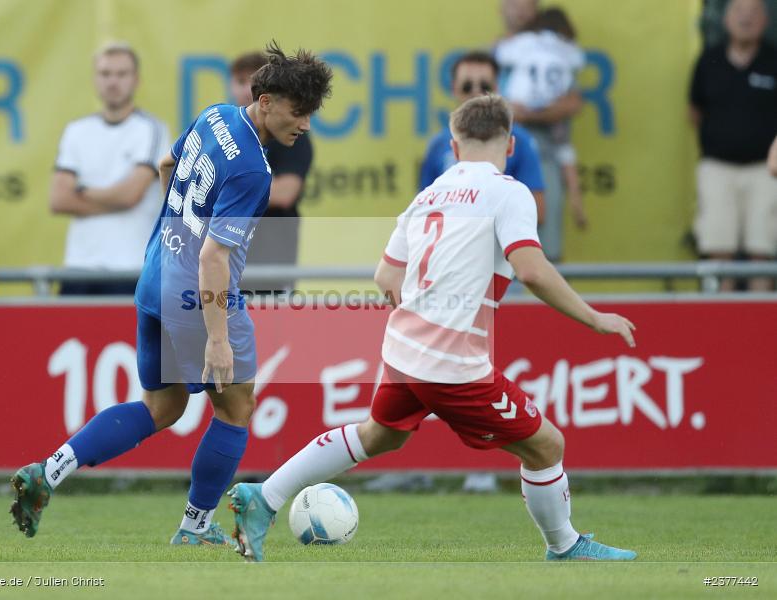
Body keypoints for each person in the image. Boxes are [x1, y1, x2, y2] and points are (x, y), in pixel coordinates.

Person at [229, 95, 638, 563]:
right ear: (510, 145)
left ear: (453, 144)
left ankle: (264, 496)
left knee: (379, 436)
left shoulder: (428, 195)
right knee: (547, 445)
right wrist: (594, 317)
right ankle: (564, 547)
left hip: (403, 349)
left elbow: (385, 277)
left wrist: (425, 315)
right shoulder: (510, 191)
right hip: (451, 363)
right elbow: (532, 270)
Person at [9, 43, 333, 547]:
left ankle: (49, 471)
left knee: (162, 409)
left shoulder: (216, 116)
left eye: (311, 113)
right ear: (267, 101)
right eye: (298, 112)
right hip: (196, 295)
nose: (306, 124)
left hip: (155, 275)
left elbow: (167, 163)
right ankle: (195, 528)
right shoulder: (253, 169)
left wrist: (177, 230)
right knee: (235, 409)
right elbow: (213, 259)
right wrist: (219, 338)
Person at [50, 42, 171, 295]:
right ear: (95, 79)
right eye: (105, 74)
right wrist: (113, 198)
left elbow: (130, 196)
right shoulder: (77, 130)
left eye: (121, 74)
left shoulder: (152, 129)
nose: (113, 82)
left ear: (136, 80)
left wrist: (82, 191)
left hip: (131, 267)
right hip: (79, 266)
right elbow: (59, 199)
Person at [690, 0, 777, 291]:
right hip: (717, 167)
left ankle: (763, 319)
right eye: (739, 12)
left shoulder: (773, 60)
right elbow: (694, 112)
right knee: (718, 249)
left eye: (753, 13)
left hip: (766, 170)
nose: (746, 19)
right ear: (726, 20)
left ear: (765, 21)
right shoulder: (708, 60)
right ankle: (716, 319)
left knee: (762, 251)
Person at [420, 51, 545, 222]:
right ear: (454, 89)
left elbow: (537, 211)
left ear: (497, 88)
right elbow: (423, 210)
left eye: (485, 86)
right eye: (467, 86)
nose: (476, 93)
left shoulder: (520, 140)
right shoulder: (438, 145)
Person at [229, 52, 315, 295]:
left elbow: (284, 192)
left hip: (272, 269)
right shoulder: (224, 131)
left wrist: (223, 190)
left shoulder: (291, 135)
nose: (247, 90)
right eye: (240, 82)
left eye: (253, 82)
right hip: (224, 266)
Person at [496, 8, 588, 232]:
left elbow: (573, 103)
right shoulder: (496, 53)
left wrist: (529, 112)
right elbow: (483, 105)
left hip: (545, 156)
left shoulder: (548, 54)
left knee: (542, 233)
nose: (518, 8)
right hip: (502, 156)